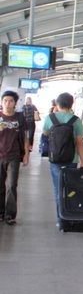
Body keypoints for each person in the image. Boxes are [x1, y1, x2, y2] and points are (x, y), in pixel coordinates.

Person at [42, 93, 83, 224]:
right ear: (71, 104)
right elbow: (79, 143)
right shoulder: (75, 120)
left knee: (58, 190)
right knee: (70, 189)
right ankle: (70, 218)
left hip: (55, 159)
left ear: (57, 104)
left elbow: (45, 134)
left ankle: (60, 220)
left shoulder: (50, 118)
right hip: (71, 160)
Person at [0, 91, 30, 225]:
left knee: (11, 185)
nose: (7, 103)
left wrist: (26, 154)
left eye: (10, 101)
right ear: (1, 102)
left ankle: (10, 215)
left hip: (14, 156)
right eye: (5, 101)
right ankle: (1, 212)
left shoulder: (19, 118)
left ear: (15, 103)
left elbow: (25, 137)